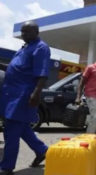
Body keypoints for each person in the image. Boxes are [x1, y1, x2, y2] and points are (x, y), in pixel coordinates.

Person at [0, 21, 50, 175]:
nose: (23, 35)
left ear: (36, 32)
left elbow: (42, 74)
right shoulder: (25, 47)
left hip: (23, 95)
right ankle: (42, 151)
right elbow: (14, 68)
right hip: (11, 94)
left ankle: (7, 167)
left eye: (26, 32)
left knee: (11, 130)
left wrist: (36, 94)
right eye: (22, 32)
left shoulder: (41, 48)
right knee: (21, 128)